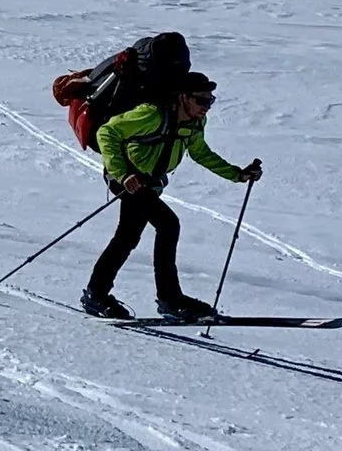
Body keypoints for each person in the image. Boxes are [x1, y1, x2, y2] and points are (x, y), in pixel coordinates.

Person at [82, 71, 261, 321]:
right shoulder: (152, 114)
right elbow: (106, 133)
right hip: (126, 179)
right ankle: (169, 298)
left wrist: (237, 174)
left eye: (210, 101)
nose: (206, 107)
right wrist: (122, 174)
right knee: (167, 225)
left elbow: (200, 153)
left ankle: (97, 293)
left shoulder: (194, 123)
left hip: (148, 184)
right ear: (183, 97)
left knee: (127, 236)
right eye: (201, 100)